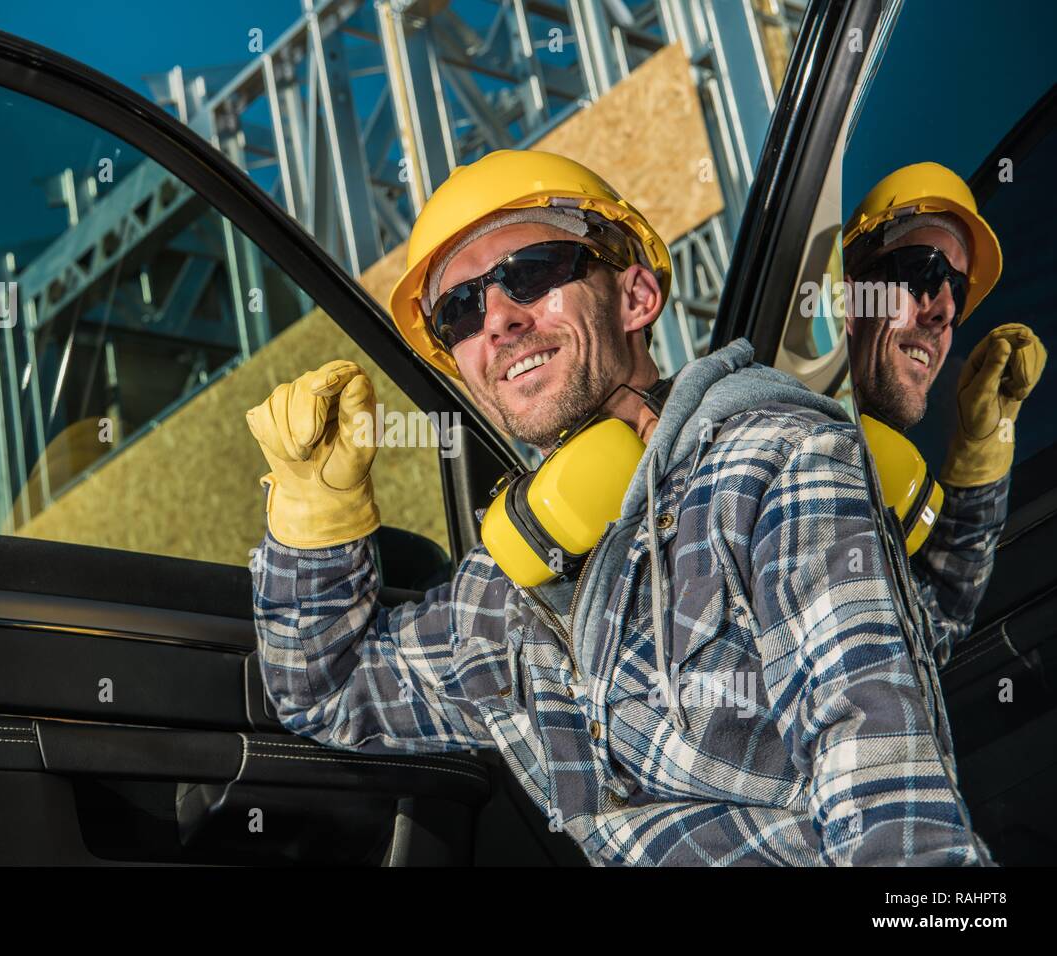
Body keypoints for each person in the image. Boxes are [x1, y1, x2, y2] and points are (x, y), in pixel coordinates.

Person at [245, 149, 988, 865]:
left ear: (636, 297)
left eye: (528, 273)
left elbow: (888, 789)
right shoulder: (502, 597)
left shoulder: (777, 468)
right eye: (458, 312)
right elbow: (324, 692)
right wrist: (317, 516)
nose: (496, 320)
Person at [843, 161, 1047, 666]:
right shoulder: (761, 440)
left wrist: (982, 459)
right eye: (925, 271)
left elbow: (929, 629)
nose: (945, 310)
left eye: (956, 289)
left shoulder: (881, 492)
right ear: (848, 295)